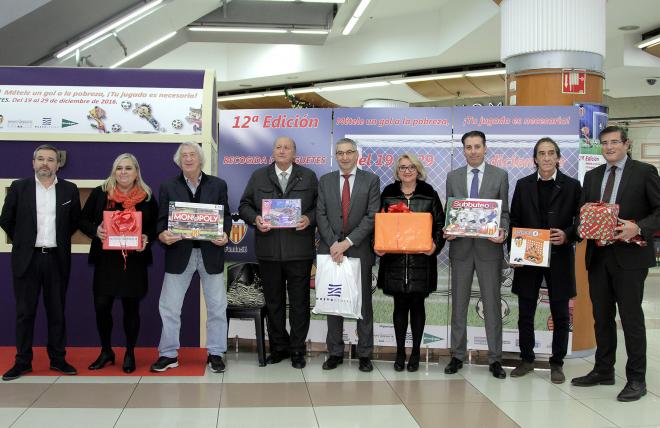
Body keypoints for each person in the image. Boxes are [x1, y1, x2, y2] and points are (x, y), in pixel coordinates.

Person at [571, 125, 660, 401]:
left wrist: (639, 227)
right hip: (598, 256)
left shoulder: (644, 172)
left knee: (631, 318)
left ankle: (636, 378)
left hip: (630, 257)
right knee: (602, 317)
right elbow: (582, 212)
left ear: (626, 144)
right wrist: (578, 228)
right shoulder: (593, 175)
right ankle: (603, 369)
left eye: (614, 142)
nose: (608, 147)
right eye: (604, 143)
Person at [0, 144, 81, 381]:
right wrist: (24, 240)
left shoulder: (69, 190)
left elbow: (74, 222)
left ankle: (58, 359)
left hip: (56, 259)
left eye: (51, 159)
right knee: (25, 313)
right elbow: (6, 219)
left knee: (57, 312)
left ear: (58, 164)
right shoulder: (19, 187)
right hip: (27, 259)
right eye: (41, 159)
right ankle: (22, 362)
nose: (46, 163)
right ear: (33, 162)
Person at [150, 142, 232, 373]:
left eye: (192, 154)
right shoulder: (168, 186)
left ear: (200, 158)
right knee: (169, 307)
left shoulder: (218, 184)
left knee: (217, 306)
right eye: (184, 155)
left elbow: (225, 215)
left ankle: (216, 353)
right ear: (179, 161)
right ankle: (168, 354)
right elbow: (161, 219)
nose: (188, 159)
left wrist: (224, 233)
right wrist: (161, 234)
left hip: (211, 253)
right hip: (179, 253)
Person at [239, 136, 318, 369]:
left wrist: (308, 218)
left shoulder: (309, 176)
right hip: (269, 251)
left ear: (295, 153)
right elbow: (244, 205)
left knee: (299, 303)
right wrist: (255, 218)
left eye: (287, 148)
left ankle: (297, 350)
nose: (282, 151)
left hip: (299, 252)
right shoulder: (259, 176)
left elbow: (319, 207)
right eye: (278, 147)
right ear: (272, 152)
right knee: (273, 303)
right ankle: (278, 348)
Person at [508, 138, 581, 384]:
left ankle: (557, 362)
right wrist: (514, 253)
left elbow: (579, 221)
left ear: (558, 157)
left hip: (559, 257)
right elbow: (514, 220)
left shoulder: (572, 185)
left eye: (551, 153)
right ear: (535, 159)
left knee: (560, 314)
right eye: (542, 153)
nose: (547, 157)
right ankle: (527, 359)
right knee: (525, 312)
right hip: (528, 255)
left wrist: (568, 234)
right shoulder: (523, 184)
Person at [79, 153, 158, 373]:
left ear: (136, 172)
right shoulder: (100, 193)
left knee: (131, 308)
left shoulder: (147, 197)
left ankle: (130, 353)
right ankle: (106, 351)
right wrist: (96, 230)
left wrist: (146, 237)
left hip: (134, 262)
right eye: (119, 168)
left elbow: (156, 226)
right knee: (101, 306)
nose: (123, 172)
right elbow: (81, 220)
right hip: (106, 261)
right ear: (114, 171)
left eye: (128, 168)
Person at [444, 130, 509, 379]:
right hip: (460, 248)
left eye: (477, 146)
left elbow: (504, 211)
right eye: (468, 147)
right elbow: (452, 208)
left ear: (485, 148)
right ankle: (457, 355)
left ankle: (495, 359)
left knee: (492, 305)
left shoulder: (500, 175)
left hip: (489, 250)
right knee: (458, 304)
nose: (473, 151)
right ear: (463, 150)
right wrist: (449, 229)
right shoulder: (453, 176)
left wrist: (502, 230)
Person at [375, 153, 445, 372]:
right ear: (397, 171)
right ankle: (399, 352)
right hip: (394, 262)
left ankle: (415, 352)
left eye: (411, 167)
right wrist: (378, 244)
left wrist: (435, 245)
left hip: (420, 262)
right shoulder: (388, 193)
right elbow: (378, 221)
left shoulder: (429, 193)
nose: (407, 171)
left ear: (418, 169)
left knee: (417, 306)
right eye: (403, 167)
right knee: (398, 307)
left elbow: (440, 224)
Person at [317, 138, 380, 372]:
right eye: (340, 153)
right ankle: (335, 352)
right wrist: (335, 243)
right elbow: (320, 215)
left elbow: (372, 216)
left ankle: (364, 353)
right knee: (333, 300)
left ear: (357, 155)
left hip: (358, 249)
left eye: (349, 152)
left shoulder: (371, 180)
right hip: (331, 250)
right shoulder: (325, 181)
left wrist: (347, 242)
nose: (344, 157)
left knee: (363, 302)